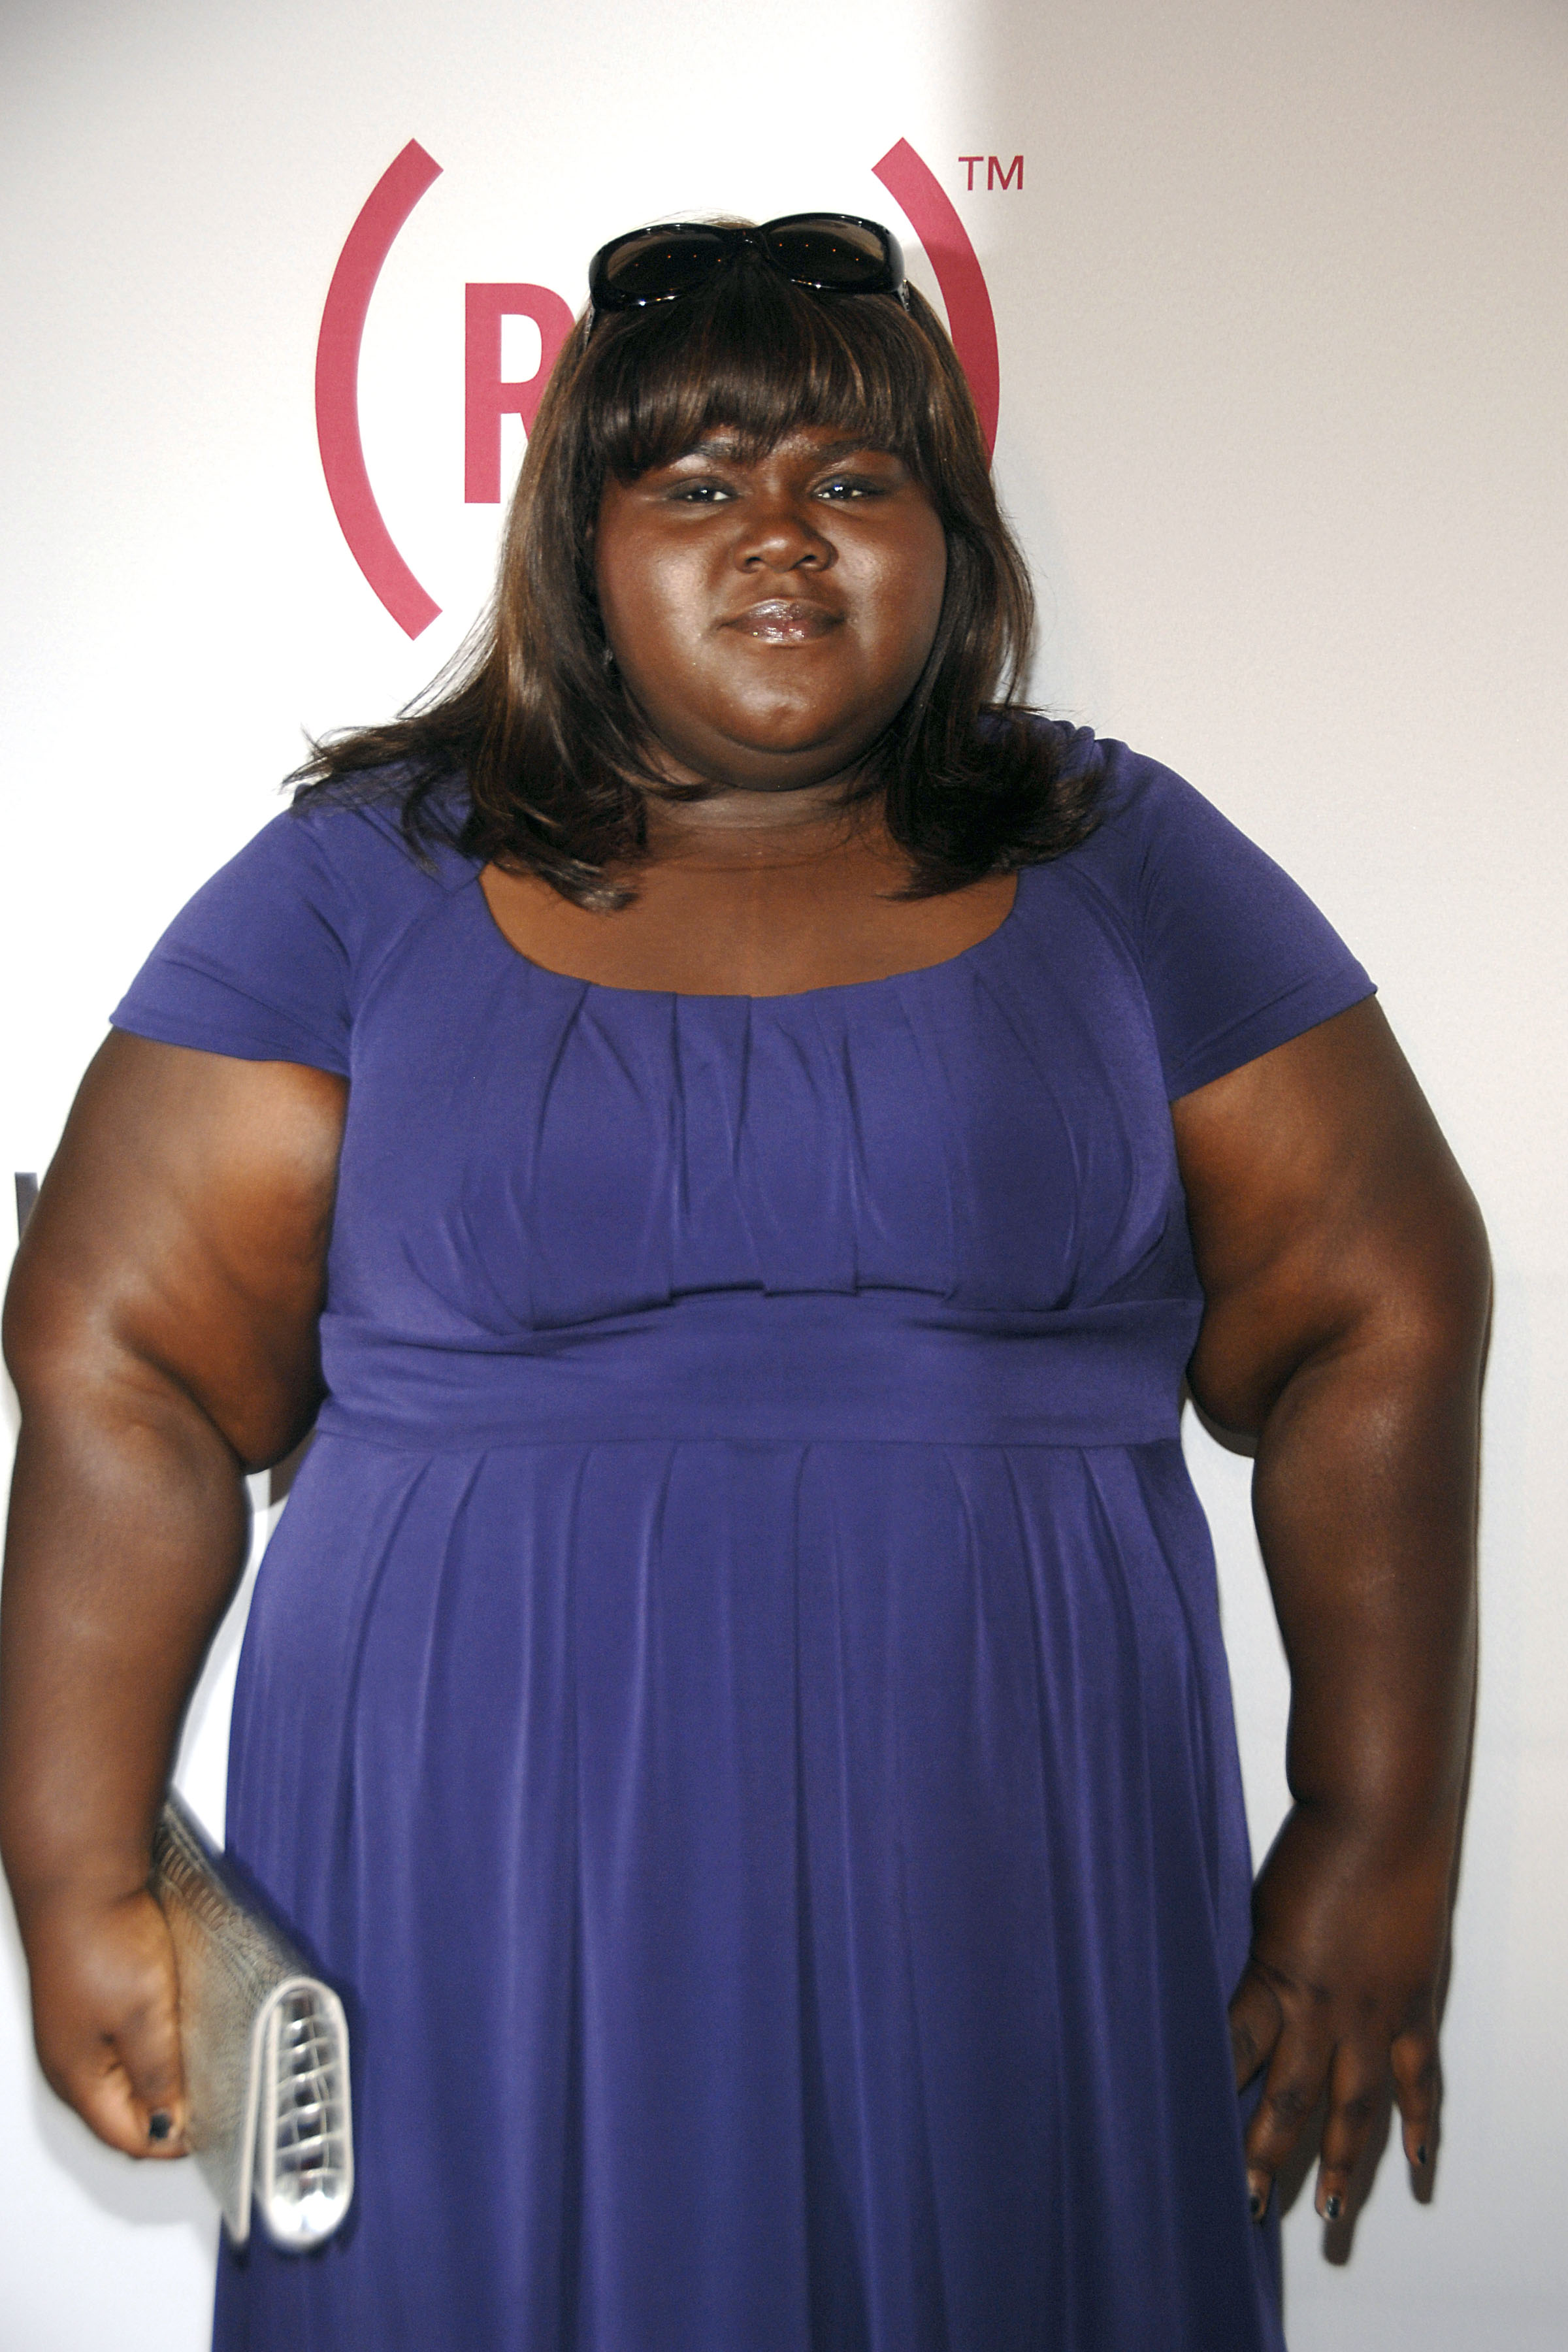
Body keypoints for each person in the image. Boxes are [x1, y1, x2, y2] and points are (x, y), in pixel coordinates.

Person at [0, 214, 1486, 2351]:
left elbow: (1385, 1304)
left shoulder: (1118, 857)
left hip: (1015, 1874)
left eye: (854, 480)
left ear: (949, 538)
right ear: (580, 543)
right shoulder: (361, 878)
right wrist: (76, 1861)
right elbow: (119, 1351)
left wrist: (1373, 1838)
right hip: (464, 1894)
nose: (782, 536)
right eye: (697, 483)